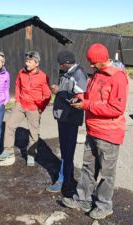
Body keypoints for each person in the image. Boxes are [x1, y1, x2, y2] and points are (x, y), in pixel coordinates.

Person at [62, 43, 129, 220]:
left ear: (101, 60)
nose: (90, 66)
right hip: (93, 130)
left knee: (107, 174)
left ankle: (104, 206)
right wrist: (81, 97)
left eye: (93, 62)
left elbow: (116, 108)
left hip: (109, 134)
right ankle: (82, 199)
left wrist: (86, 105)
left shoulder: (118, 77)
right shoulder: (97, 74)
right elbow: (91, 96)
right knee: (88, 168)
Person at [0, 51, 51, 167]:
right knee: (10, 125)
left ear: (36, 63)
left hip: (34, 108)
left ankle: (31, 154)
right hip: (21, 105)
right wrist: (17, 101)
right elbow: (17, 86)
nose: (27, 63)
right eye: (26, 61)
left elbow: (47, 95)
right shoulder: (22, 72)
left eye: (30, 62)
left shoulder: (43, 76)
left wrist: (40, 108)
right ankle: (8, 151)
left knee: (33, 133)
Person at [46, 50, 88, 197]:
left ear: (65, 63)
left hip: (70, 118)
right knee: (65, 150)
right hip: (64, 117)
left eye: (60, 64)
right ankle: (65, 178)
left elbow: (81, 95)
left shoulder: (78, 74)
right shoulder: (68, 73)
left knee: (68, 151)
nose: (59, 66)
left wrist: (59, 90)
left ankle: (65, 181)